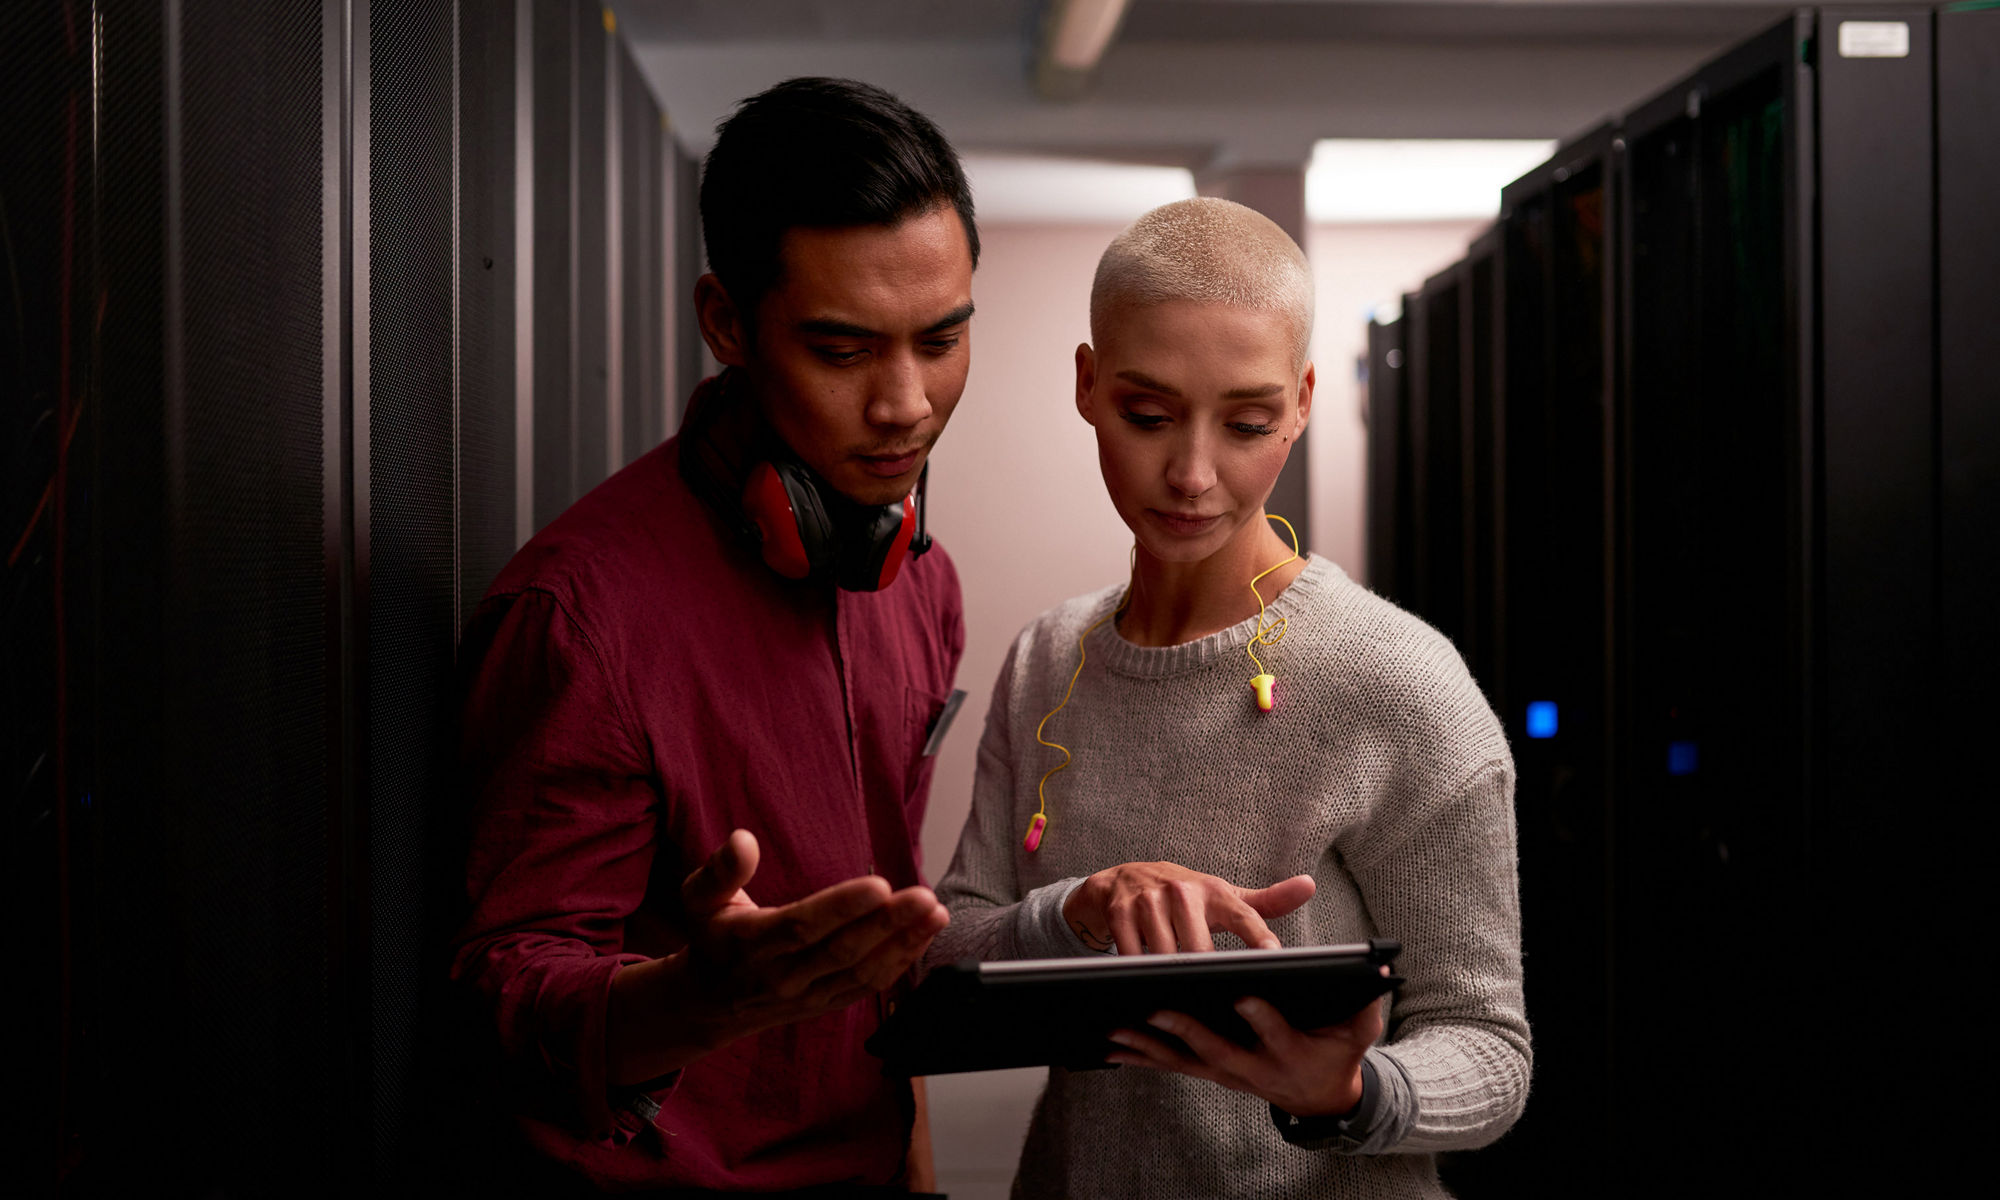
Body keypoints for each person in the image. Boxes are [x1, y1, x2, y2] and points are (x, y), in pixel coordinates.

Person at [927, 197, 1530, 1198]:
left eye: (1247, 422)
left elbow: (1488, 1049)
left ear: (1298, 403)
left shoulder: (1397, 681)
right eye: (1147, 415)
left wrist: (1345, 1094)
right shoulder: (1046, 660)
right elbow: (950, 954)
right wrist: (1077, 909)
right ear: (1086, 385)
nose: (1191, 473)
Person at [451, 77, 978, 1194]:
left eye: (939, 341)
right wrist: (699, 998)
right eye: (842, 351)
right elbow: (503, 997)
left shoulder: (921, 587)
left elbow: (880, 953)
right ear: (726, 323)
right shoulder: (577, 619)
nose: (905, 405)